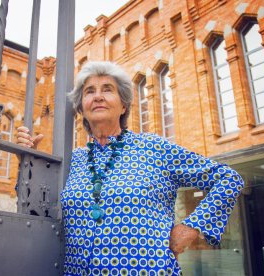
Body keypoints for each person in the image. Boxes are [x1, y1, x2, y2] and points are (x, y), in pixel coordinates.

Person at [16, 61, 244, 275]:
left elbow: (228, 179)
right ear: (81, 109)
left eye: (107, 89)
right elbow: (37, 210)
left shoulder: (154, 148)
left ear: (123, 104)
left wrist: (191, 227)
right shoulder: (72, 160)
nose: (98, 97)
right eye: (89, 91)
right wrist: (27, 164)